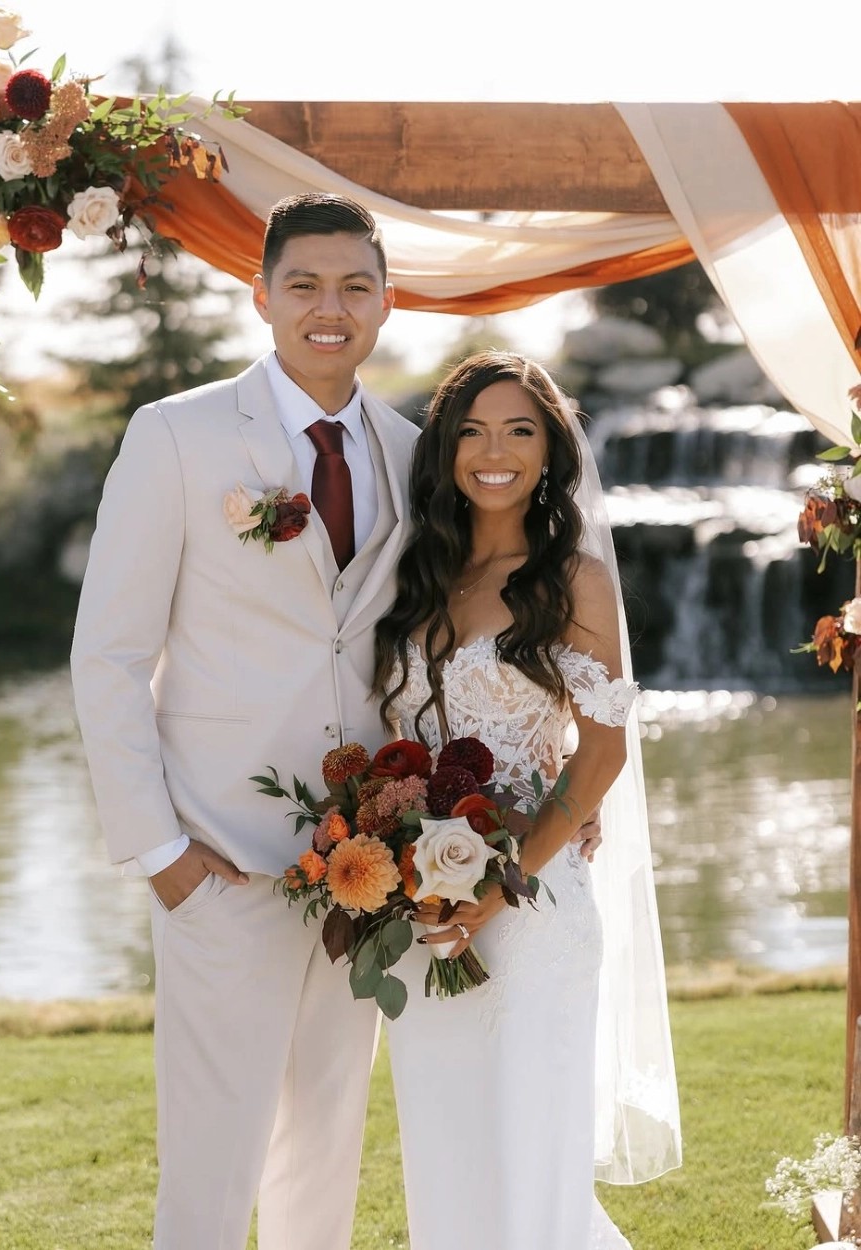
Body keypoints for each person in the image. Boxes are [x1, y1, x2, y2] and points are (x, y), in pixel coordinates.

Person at [69, 191, 421, 1250]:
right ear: (260, 293)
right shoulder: (174, 436)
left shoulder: (412, 450)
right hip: (217, 859)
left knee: (326, 1141)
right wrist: (161, 850)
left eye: (355, 286)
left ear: (385, 302)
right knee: (214, 1158)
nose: (330, 307)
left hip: (363, 868)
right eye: (305, 284)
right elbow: (111, 654)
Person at [372, 350, 682, 1250]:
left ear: (551, 449)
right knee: (446, 1152)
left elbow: (602, 752)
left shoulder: (573, 580)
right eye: (472, 430)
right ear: (446, 450)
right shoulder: (414, 576)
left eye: (520, 429)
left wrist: (495, 889)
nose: (494, 450)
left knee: (532, 1163)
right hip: (423, 910)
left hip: (533, 908)